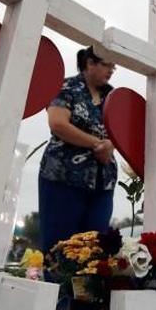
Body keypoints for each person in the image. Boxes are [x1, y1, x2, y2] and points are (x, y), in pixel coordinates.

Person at [37, 46, 118, 256]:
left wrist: (110, 145)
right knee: (60, 248)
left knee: (95, 250)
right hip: (63, 179)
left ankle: (87, 289)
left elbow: (122, 131)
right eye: (106, 65)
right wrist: (96, 144)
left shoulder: (113, 96)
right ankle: (58, 289)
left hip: (102, 183)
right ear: (90, 63)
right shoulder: (66, 87)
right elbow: (58, 124)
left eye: (113, 67)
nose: (111, 71)